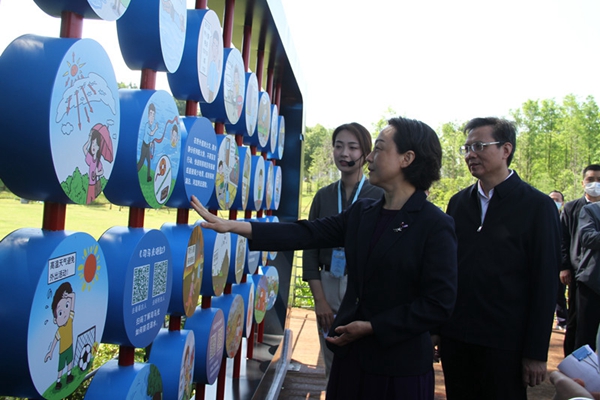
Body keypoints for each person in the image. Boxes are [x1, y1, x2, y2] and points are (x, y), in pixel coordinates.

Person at [191, 117, 458, 400]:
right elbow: (306, 233)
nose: (369, 157)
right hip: (351, 361)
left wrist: (372, 328)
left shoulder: (434, 225)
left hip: (398, 371)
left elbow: (438, 304)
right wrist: (234, 226)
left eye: (379, 148)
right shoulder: (363, 213)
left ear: (407, 158)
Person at [435, 117, 560, 399]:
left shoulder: (537, 206)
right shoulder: (458, 203)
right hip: (457, 338)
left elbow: (545, 283)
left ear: (506, 149)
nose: (470, 154)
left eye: (479, 146)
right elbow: (447, 271)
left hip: (506, 343)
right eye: (467, 148)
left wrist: (536, 352)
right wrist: (438, 329)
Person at [302, 122, 383, 377]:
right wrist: (319, 300)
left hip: (362, 285)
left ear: (366, 153)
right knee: (331, 358)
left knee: (362, 359)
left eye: (352, 147)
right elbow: (309, 250)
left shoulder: (379, 195)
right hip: (326, 282)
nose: (344, 154)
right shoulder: (323, 196)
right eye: (338, 146)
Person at [560, 164, 600, 356]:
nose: (595, 184)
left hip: (595, 271)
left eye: (599, 180)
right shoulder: (572, 207)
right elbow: (563, 239)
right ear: (583, 182)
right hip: (580, 272)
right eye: (591, 179)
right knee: (577, 322)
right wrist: (564, 266)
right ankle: (571, 362)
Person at [574, 200, 600, 351]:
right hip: (592, 283)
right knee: (585, 338)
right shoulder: (591, 210)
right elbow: (587, 237)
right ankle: (580, 366)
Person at [550, 190, 568, 331]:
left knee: (559, 293)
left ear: (562, 203)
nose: (554, 202)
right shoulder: (542, 216)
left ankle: (562, 320)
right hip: (545, 261)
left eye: (557, 200)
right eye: (551, 199)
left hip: (560, 262)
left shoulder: (564, 218)